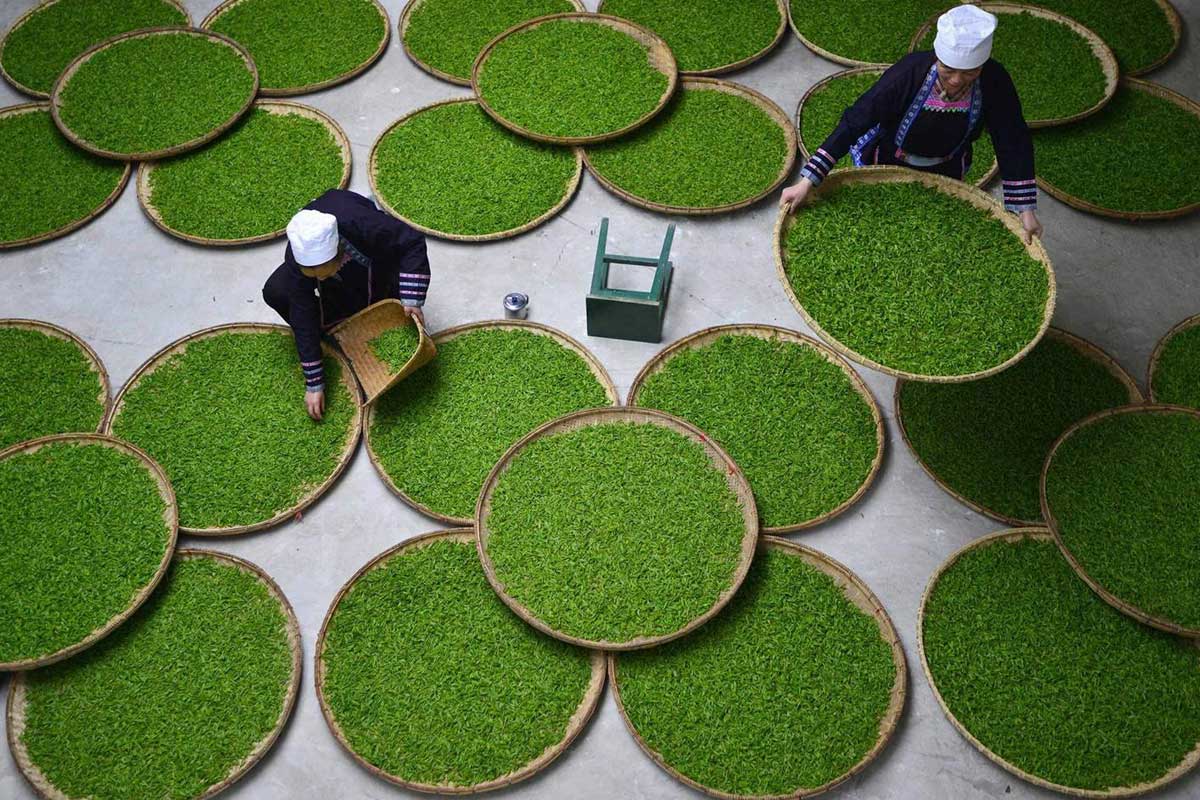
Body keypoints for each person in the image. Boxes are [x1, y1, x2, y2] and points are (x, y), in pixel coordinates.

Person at [780, 4, 1044, 243]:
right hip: (889, 158)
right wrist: (808, 180)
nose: (956, 80)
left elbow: (1012, 139)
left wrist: (1025, 209)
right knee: (875, 225)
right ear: (938, 56)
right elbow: (856, 120)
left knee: (926, 232)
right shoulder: (909, 73)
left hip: (948, 166)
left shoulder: (994, 81)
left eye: (969, 72)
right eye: (948, 69)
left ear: (982, 65)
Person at [263, 189, 430, 420]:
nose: (319, 279)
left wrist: (413, 299)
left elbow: (412, 242)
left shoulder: (364, 225)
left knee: (377, 287)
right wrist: (314, 383)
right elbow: (301, 311)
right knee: (277, 291)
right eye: (312, 275)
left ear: (340, 254)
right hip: (328, 260)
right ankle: (334, 325)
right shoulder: (296, 253)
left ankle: (373, 300)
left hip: (370, 250)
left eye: (322, 272)